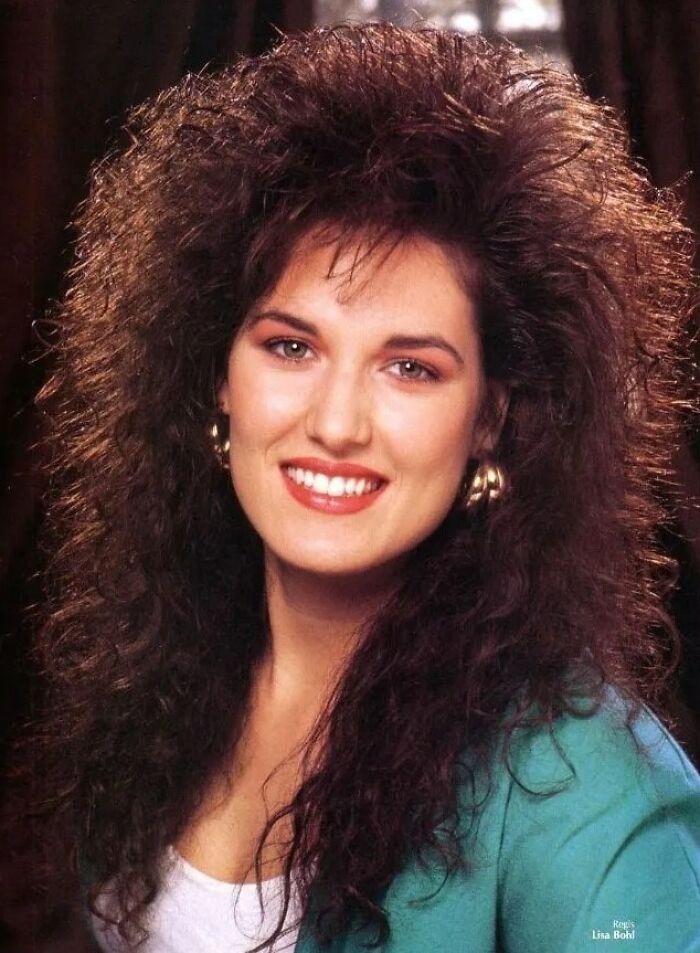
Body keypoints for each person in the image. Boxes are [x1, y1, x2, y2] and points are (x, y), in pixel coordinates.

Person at [8, 20, 700, 953]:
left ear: (489, 417)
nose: (336, 423)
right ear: (216, 375)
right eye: (290, 347)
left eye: (410, 368)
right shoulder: (160, 682)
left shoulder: (594, 792)